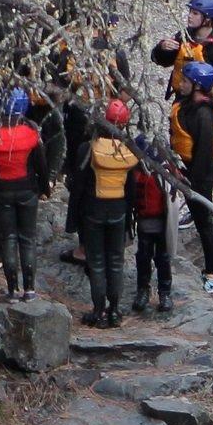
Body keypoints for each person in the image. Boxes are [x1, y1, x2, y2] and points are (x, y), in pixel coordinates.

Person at [152, 0, 213, 215]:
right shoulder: (185, 36)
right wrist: (162, 49)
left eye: (195, 13)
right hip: (184, 107)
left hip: (209, 111)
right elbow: (161, 60)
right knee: (186, 155)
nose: (190, 16)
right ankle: (196, 206)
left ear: (207, 19)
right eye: (191, 12)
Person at [0, 88, 49, 302]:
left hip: (1, 191)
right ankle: (30, 289)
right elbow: (41, 163)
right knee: (27, 239)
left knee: (8, 239)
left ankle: (12, 290)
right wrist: (44, 188)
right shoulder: (30, 131)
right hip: (27, 190)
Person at [78, 98, 140, 327]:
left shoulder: (88, 148)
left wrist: (74, 221)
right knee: (116, 262)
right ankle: (114, 312)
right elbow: (131, 190)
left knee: (96, 263)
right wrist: (130, 219)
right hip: (119, 210)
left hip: (93, 210)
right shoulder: (128, 151)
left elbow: (79, 188)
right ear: (124, 124)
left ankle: (99, 312)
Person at [167, 60, 213, 297]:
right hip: (182, 168)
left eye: (185, 81)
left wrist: (191, 182)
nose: (180, 84)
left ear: (198, 86)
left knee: (205, 225)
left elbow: (203, 154)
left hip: (196, 175)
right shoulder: (186, 104)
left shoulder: (203, 115)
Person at [128, 140, 174, 315]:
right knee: (143, 257)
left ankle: (164, 293)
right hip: (144, 223)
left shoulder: (163, 173)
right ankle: (143, 290)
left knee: (162, 258)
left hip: (161, 223)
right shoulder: (136, 174)